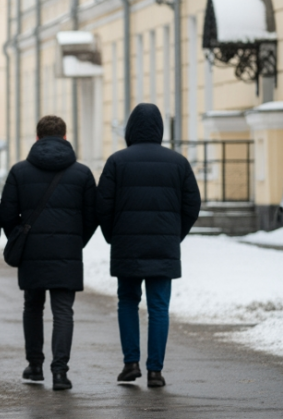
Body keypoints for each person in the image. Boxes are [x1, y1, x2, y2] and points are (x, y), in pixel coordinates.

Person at [96, 103, 201, 388]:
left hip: (126, 246)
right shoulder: (178, 162)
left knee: (128, 302)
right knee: (158, 307)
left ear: (130, 129)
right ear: (159, 129)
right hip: (163, 248)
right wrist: (173, 234)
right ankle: (155, 371)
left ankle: (130, 363)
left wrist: (113, 236)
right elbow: (193, 205)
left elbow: (102, 205)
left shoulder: (117, 161)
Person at [0, 115, 98, 391]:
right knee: (63, 311)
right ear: (65, 138)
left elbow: (6, 213)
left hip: (32, 252)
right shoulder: (82, 173)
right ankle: (60, 372)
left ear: (37, 138)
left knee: (33, 307)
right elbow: (93, 216)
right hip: (67, 252)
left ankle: (34, 366)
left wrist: (21, 240)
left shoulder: (19, 172)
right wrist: (76, 242)